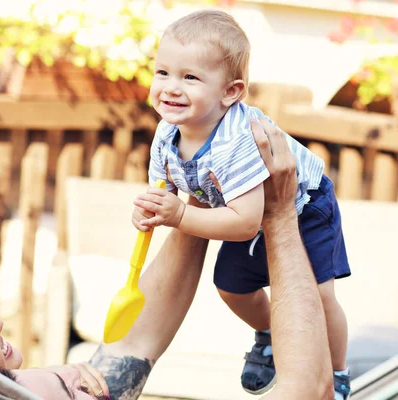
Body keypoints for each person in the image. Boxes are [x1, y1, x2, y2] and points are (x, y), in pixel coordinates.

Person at [0, 117, 337, 400]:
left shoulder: (16, 384)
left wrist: (198, 188)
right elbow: (308, 392)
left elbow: (131, 348)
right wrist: (278, 215)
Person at [131, 9, 351, 398]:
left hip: (304, 205)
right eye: (162, 72)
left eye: (190, 77)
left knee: (318, 296)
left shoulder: (234, 142)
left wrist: (180, 214)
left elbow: (245, 223)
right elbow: (164, 189)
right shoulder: (168, 133)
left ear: (230, 92)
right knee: (231, 286)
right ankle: (269, 333)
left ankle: (335, 373)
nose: (170, 87)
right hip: (248, 208)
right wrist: (151, 209)